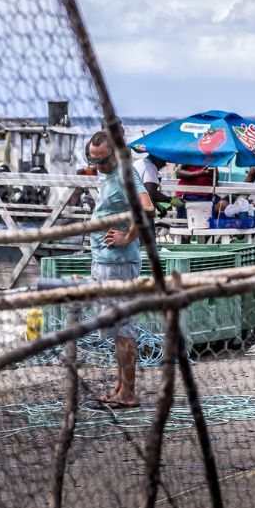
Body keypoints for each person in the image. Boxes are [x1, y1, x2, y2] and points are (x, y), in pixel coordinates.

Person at [87, 131, 153, 408]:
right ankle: (121, 386)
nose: (98, 166)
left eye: (102, 161)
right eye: (93, 161)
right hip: (105, 261)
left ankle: (128, 392)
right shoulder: (108, 175)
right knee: (115, 328)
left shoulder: (128, 175)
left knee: (124, 328)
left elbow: (147, 208)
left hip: (118, 263)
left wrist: (128, 236)